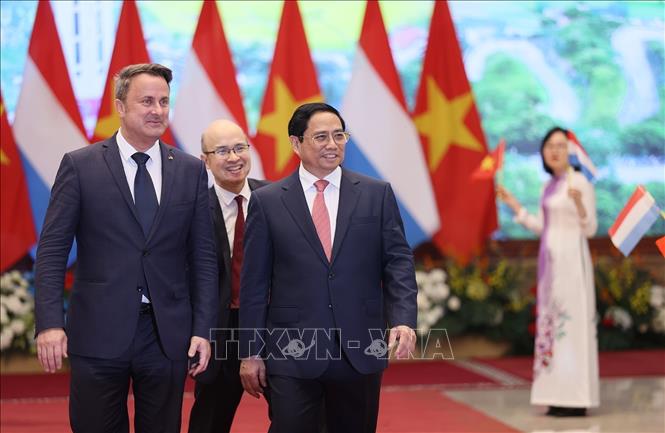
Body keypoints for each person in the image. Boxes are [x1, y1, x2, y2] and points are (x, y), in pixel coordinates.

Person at [34, 63, 219, 432]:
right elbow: (52, 252)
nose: (157, 110)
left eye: (164, 101)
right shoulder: (80, 166)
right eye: (146, 101)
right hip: (98, 330)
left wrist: (203, 329)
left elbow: (203, 258)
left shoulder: (190, 170)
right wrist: (50, 323)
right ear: (120, 106)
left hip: (166, 334)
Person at [238, 102, 417, 433]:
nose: (332, 144)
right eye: (321, 137)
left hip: (360, 347)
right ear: (296, 143)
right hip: (291, 350)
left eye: (339, 135)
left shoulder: (376, 194)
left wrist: (403, 319)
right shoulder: (269, 201)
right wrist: (250, 352)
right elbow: (254, 285)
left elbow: (398, 262)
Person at [497, 126, 599, 417]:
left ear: (570, 151)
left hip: (572, 264)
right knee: (552, 328)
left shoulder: (581, 182)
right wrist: (515, 206)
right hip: (550, 268)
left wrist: (579, 203)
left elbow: (590, 229)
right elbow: (543, 228)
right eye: (549, 146)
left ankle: (577, 398)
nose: (555, 151)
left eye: (560, 146)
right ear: (543, 152)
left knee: (573, 327)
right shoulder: (548, 186)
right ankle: (556, 395)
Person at [188, 119, 269, 433]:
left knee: (298, 416)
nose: (234, 158)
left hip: (272, 327)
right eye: (222, 151)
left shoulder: (277, 198)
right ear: (205, 161)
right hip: (219, 329)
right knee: (209, 421)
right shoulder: (193, 208)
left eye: (239, 148)